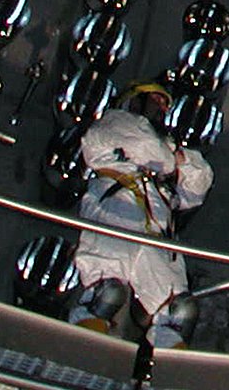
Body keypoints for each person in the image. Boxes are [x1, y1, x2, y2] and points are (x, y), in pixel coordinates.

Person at [68, 81, 214, 349]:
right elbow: (145, 145)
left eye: (164, 106)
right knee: (106, 294)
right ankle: (79, 354)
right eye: (155, 101)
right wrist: (173, 160)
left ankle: (162, 373)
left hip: (156, 231)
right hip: (116, 214)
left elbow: (199, 183)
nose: (159, 110)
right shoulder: (114, 122)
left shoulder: (167, 148)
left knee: (179, 312)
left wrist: (175, 157)